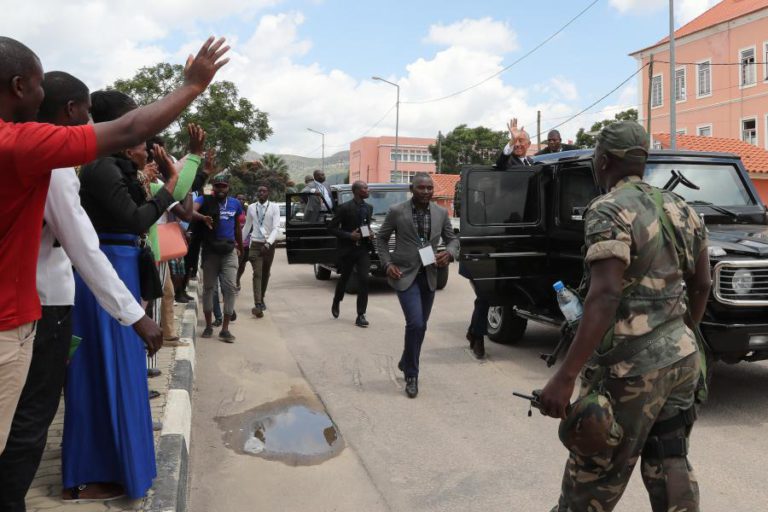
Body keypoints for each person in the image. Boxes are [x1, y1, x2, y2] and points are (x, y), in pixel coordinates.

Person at [0, 35, 228, 458]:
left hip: (74, 296)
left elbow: (179, 204)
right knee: (29, 427)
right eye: (36, 85)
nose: (40, 92)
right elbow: (96, 242)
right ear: (18, 87)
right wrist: (192, 86)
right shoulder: (31, 149)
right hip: (31, 313)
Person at [0, 71, 162, 510]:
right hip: (43, 305)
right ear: (73, 111)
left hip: (43, 300)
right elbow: (89, 246)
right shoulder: (58, 165)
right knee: (32, 421)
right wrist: (135, 315)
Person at [538, 121, 711, 512]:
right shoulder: (684, 208)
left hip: (629, 371)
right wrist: (684, 335)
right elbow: (702, 285)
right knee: (669, 461)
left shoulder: (608, 209)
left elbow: (606, 293)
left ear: (602, 161)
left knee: (594, 475)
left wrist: (564, 377)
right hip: (683, 359)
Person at [376, 174, 459, 398]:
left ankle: (406, 359)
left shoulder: (441, 213)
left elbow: (453, 239)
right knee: (414, 323)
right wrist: (387, 264)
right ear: (412, 188)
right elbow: (380, 239)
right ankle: (412, 375)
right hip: (404, 274)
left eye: (429, 187)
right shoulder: (397, 211)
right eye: (421, 187)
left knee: (421, 326)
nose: (425, 191)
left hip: (429, 274)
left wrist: (449, 253)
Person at [194, 174, 243, 342]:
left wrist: (240, 247)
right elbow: (191, 211)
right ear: (213, 187)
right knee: (209, 289)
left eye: (224, 186)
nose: (221, 189)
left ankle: (225, 329)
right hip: (210, 251)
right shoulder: (204, 200)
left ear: (228, 187)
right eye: (218, 186)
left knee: (230, 288)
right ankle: (208, 326)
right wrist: (202, 217)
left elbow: (237, 227)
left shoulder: (236, 204)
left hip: (229, 251)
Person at [328, 180, 373, 327]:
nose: (368, 190)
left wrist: (369, 233)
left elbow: (365, 226)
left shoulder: (369, 208)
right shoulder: (344, 208)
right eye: (365, 188)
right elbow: (332, 228)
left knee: (364, 280)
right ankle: (337, 300)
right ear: (357, 191)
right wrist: (349, 236)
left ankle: (361, 315)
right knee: (344, 278)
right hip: (348, 250)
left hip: (363, 250)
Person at [242, 184, 280, 317]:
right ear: (257, 194)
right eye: (259, 191)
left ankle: (261, 298)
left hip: (269, 245)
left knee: (265, 273)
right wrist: (239, 242)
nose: (261, 193)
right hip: (256, 244)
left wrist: (268, 243)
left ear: (268, 193)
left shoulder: (274, 207)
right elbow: (247, 226)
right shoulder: (252, 208)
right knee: (257, 273)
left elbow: (276, 228)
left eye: (264, 191)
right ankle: (257, 303)